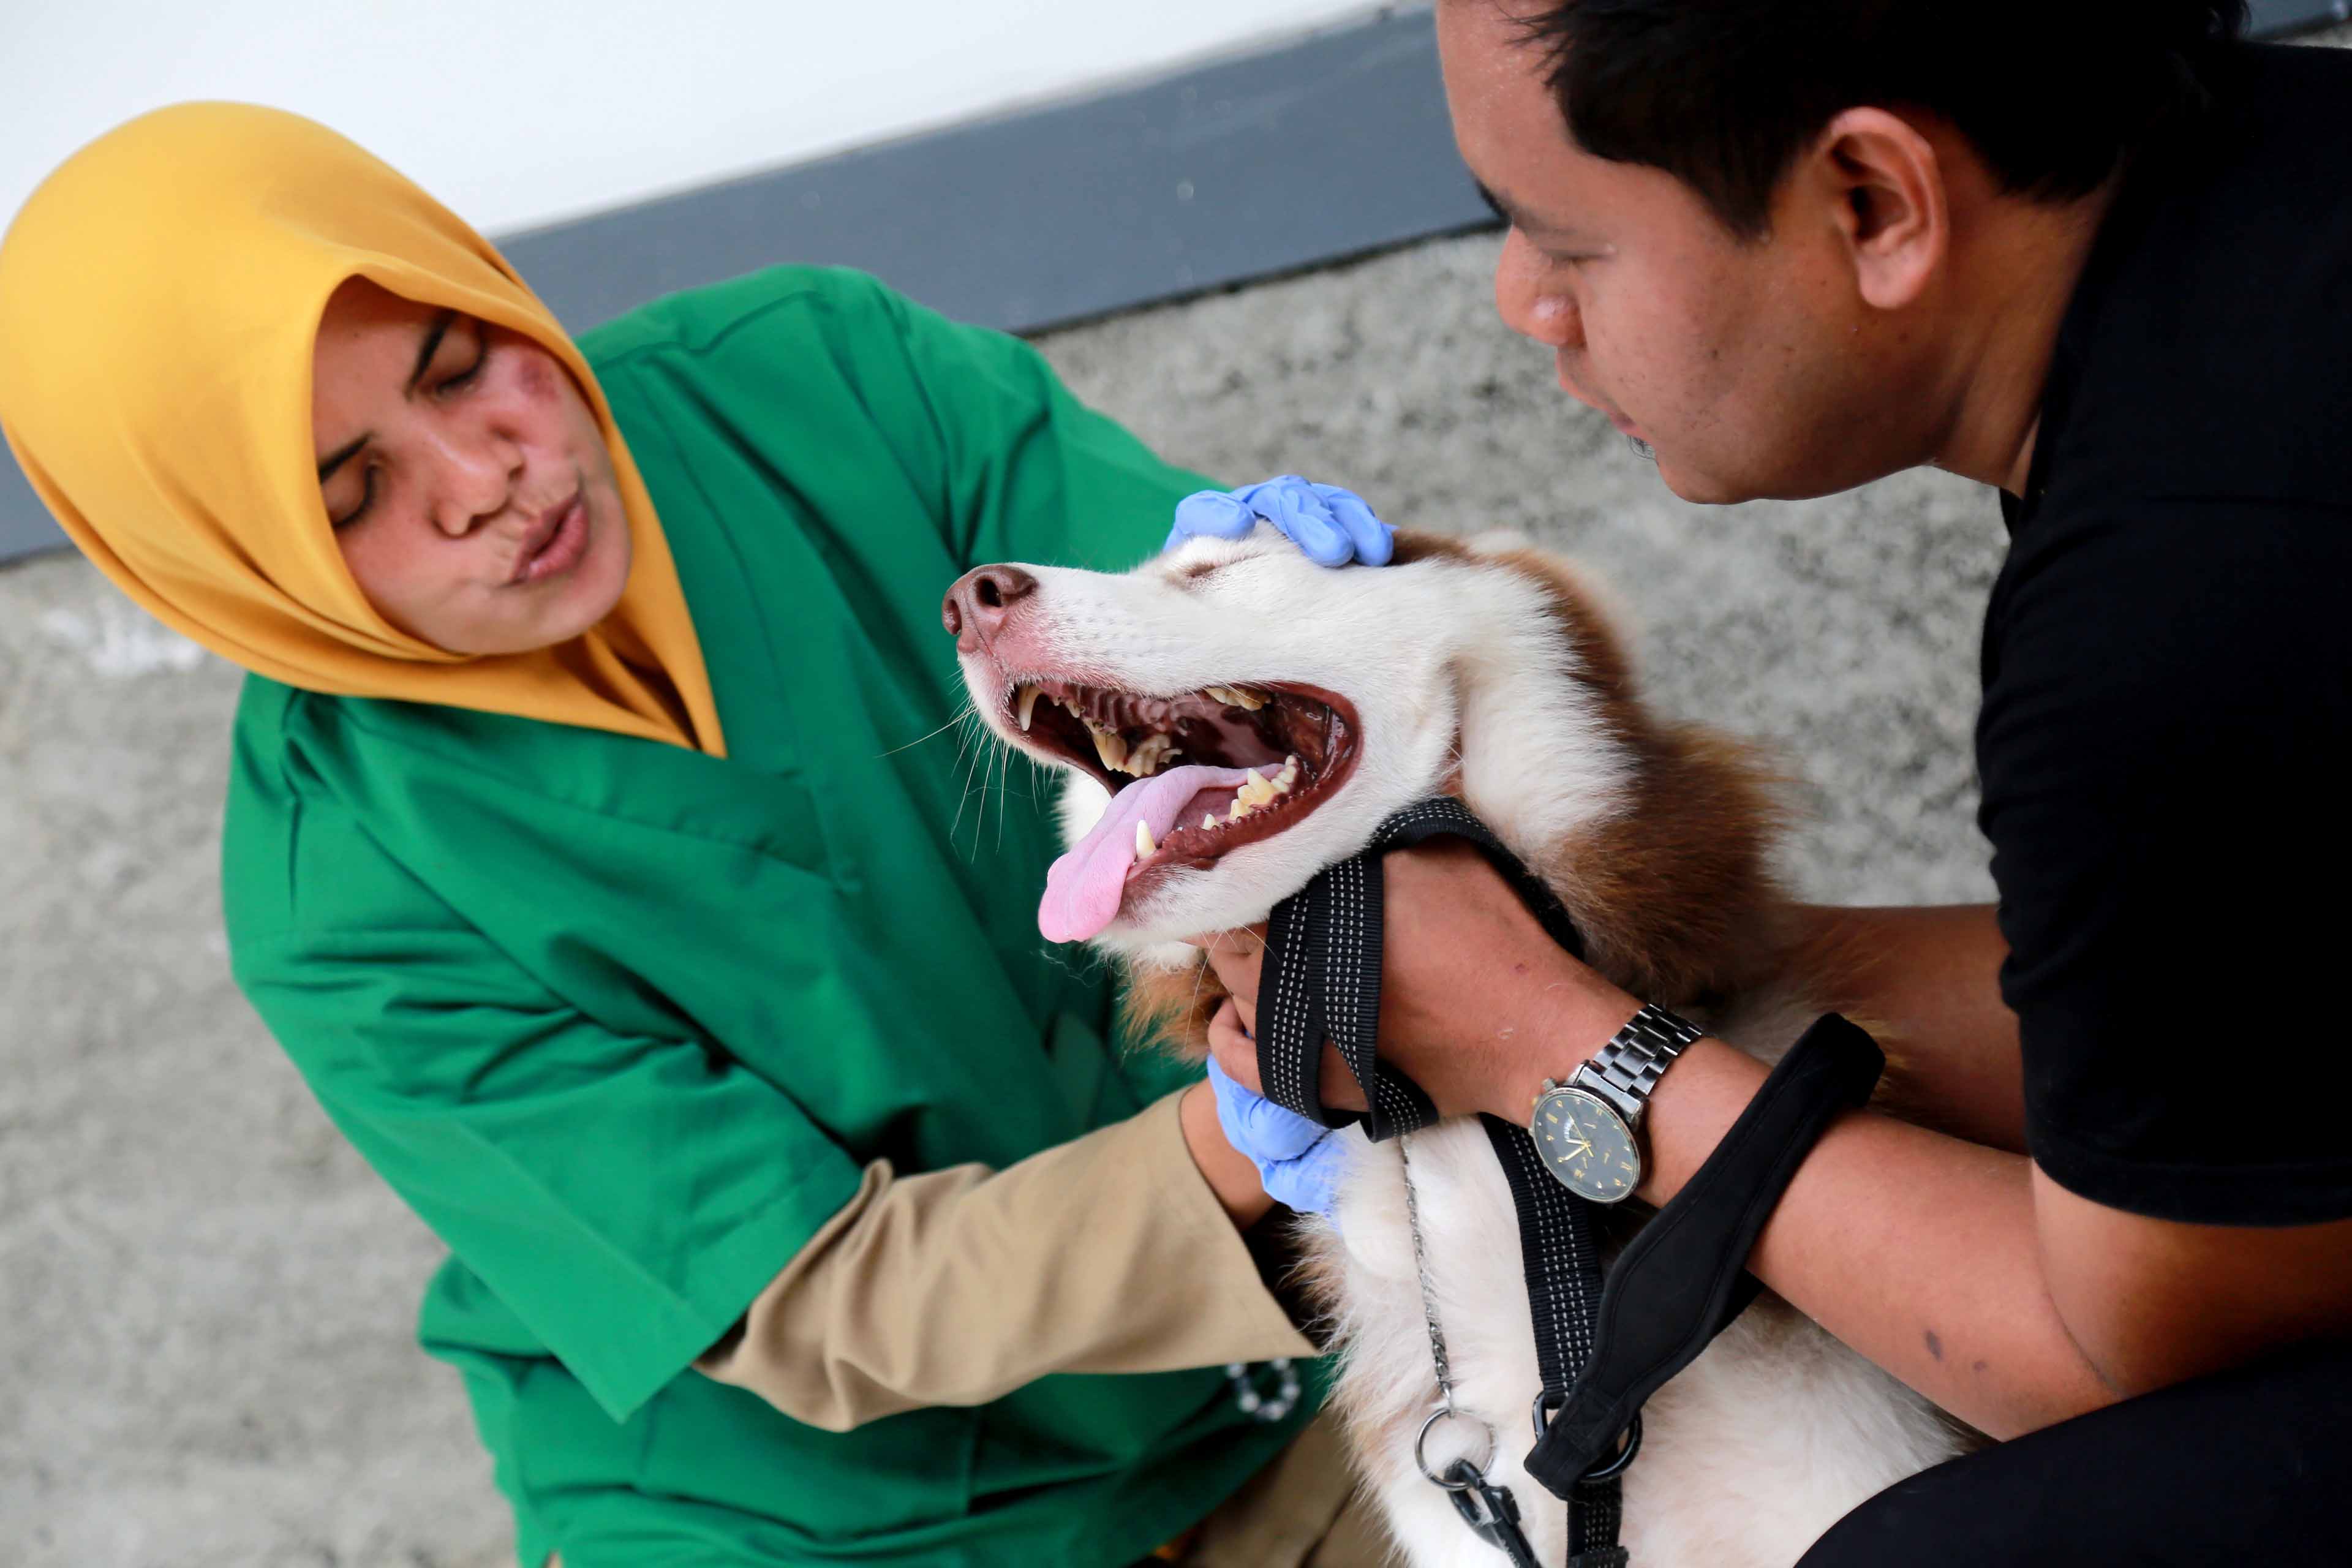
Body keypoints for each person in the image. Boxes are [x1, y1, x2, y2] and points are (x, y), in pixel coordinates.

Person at [0, 104, 1394, 1567]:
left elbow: (1225, 695)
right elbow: (828, 1297)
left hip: (1291, 1352)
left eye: (462, 362)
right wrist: (1258, 1118)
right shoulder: (342, 895)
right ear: (242, 570)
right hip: (824, 1525)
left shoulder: (823, 382)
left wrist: (1291, 628)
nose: (486, 480)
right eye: (354, 495)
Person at [1199, 2, 2352, 1562]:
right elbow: (2237, 1015)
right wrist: (1610, 947)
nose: (1522, 303)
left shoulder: (2173, 604)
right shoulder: (2265, 202)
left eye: (1564, 239)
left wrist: (1559, 1042)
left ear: (1872, 203)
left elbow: (2130, 1355)